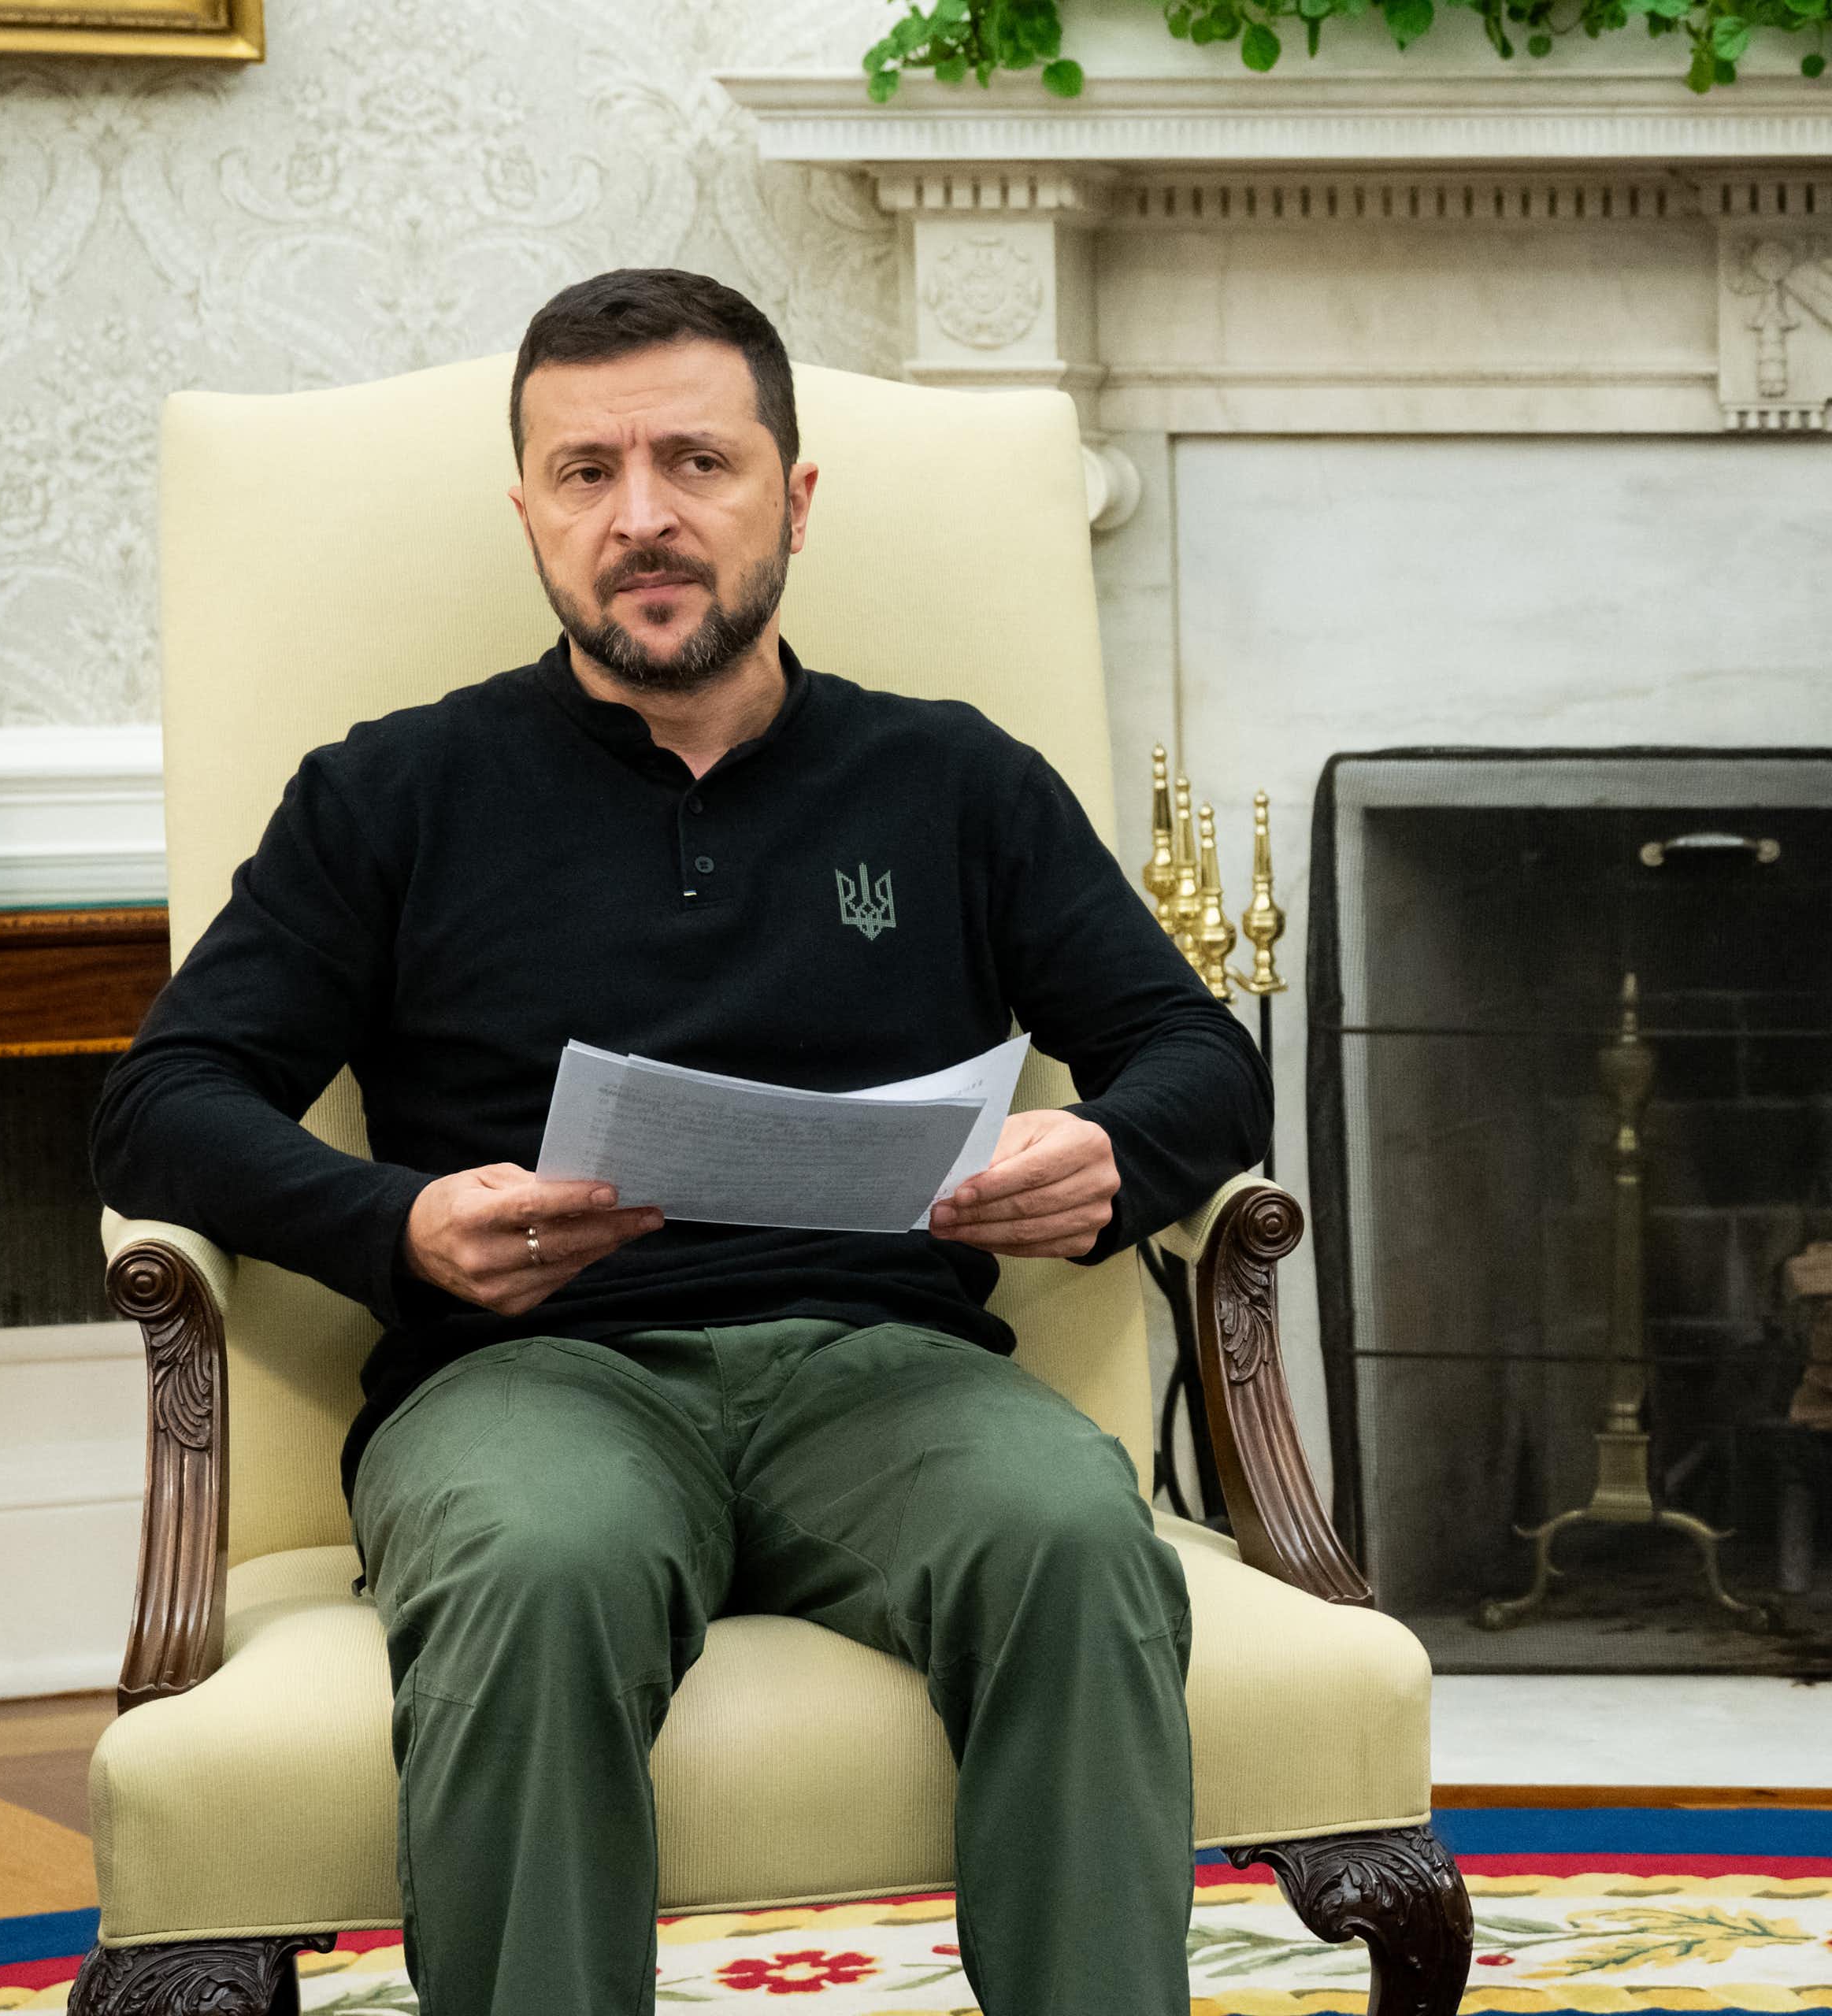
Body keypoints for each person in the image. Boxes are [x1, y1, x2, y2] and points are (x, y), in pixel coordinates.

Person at [90, 266, 1272, 2016]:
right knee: (541, 1560)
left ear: (791, 496)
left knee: (1069, 1532)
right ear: (528, 512)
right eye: (584, 473)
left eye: (694, 463)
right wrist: (399, 1221)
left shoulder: (952, 781)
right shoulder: (392, 791)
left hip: (886, 1370)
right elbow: (159, 1101)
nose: (639, 517)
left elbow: (1196, 1050)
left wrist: (1109, 1154)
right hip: (529, 1378)